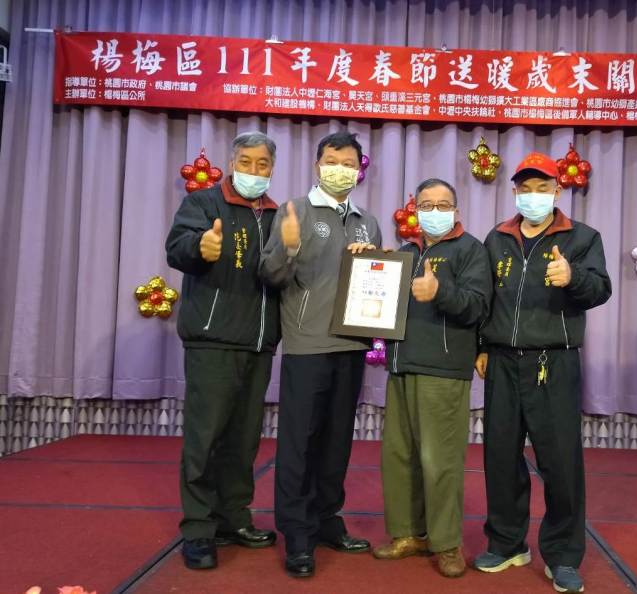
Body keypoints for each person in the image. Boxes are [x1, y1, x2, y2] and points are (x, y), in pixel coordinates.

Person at [473, 152, 611, 593]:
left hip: (554, 362)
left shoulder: (582, 238)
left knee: (560, 462)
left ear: (557, 190)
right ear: (515, 191)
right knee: (500, 456)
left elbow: (600, 289)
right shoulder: (497, 238)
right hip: (501, 361)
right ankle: (507, 542)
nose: (533, 196)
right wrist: (481, 345)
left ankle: (564, 555)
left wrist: (573, 277)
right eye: (525, 189)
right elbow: (484, 297)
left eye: (542, 188)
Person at [259, 131, 382, 578]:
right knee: (299, 443)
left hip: (352, 344)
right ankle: (297, 534)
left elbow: (378, 279)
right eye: (332, 161)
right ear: (317, 165)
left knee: (336, 442)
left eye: (349, 163)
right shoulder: (295, 210)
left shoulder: (368, 221)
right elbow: (270, 275)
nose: (340, 170)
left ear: (359, 170)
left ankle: (328, 519)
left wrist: (376, 262)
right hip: (307, 344)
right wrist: (289, 246)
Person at [165, 131, 282, 570]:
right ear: (232, 163)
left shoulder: (276, 214)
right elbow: (176, 248)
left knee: (244, 438)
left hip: (259, 342)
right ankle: (198, 529)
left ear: (272, 169)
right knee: (205, 438)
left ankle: (234, 517)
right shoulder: (203, 203)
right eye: (246, 162)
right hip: (212, 340)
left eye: (262, 164)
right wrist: (199, 246)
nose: (254, 171)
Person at [372, 179, 492, 578]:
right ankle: (408, 533)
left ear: (456, 211)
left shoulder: (471, 250)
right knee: (399, 456)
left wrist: (440, 290)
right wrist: (369, 264)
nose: (434, 212)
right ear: (415, 210)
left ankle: (446, 542)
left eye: (443, 205)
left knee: (440, 461)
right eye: (426, 205)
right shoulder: (406, 253)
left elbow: (477, 306)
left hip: (443, 369)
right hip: (401, 365)